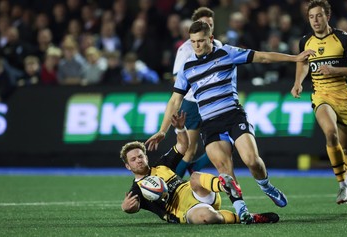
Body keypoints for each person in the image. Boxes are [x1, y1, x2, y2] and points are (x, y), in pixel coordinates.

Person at [145, 20, 315, 223]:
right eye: (193, 42)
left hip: (234, 116)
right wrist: (163, 130)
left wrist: (295, 58)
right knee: (224, 170)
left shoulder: (226, 53)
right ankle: (241, 209)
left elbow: (262, 57)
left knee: (252, 160)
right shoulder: (187, 68)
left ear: (210, 38)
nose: (196, 46)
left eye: (200, 41)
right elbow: (175, 100)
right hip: (210, 124)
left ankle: (266, 185)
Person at [120, 111, 279, 224]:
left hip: (199, 192)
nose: (138, 160)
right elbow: (131, 207)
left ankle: (224, 184)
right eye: (133, 159)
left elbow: (183, 145)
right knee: (206, 217)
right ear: (128, 166)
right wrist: (126, 208)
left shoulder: (161, 164)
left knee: (195, 177)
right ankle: (247, 217)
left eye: (140, 156)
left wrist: (181, 129)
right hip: (185, 211)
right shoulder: (137, 189)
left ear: (146, 157)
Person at [290, 0, 347, 206]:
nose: (315, 20)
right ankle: (342, 185)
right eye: (311, 17)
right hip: (321, 95)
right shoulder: (305, 41)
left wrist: (335, 70)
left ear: (327, 16)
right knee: (330, 133)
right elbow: (303, 63)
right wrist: (298, 82)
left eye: (319, 16)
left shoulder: (343, 39)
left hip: (344, 97)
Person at [172, 7, 220, 178]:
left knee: (227, 139)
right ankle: (172, 185)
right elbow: (177, 78)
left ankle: (195, 167)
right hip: (192, 103)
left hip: (214, 102)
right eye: (205, 23)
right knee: (189, 149)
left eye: (211, 24)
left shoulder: (219, 45)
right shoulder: (186, 49)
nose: (209, 26)